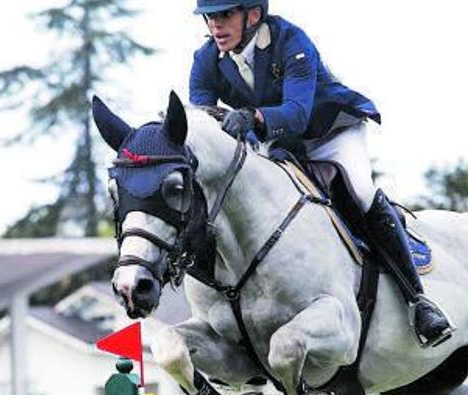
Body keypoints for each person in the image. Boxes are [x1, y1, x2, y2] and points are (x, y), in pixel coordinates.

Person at [189, 0, 454, 347]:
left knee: (359, 193)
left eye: (224, 15)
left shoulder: (291, 41)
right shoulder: (205, 60)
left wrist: (251, 117)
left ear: (252, 14)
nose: (215, 26)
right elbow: (202, 115)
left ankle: (418, 301)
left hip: (330, 134)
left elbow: (297, 114)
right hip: (279, 143)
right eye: (210, 17)